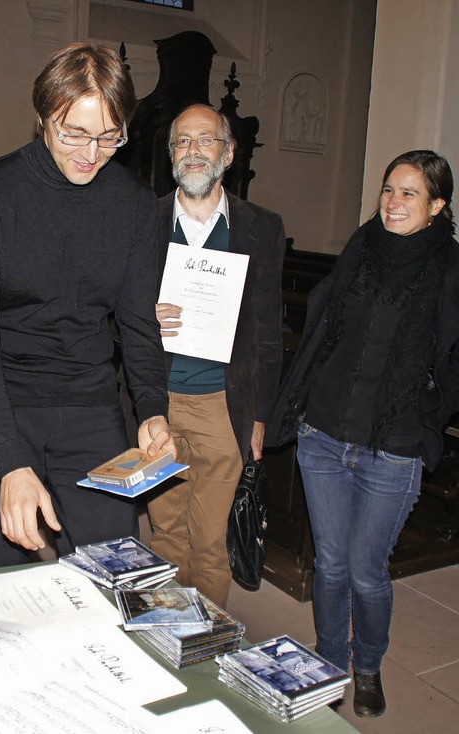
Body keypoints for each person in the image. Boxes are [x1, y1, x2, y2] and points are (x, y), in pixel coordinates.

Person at [0, 43, 174, 572]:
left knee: (113, 566)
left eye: (109, 137)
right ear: (43, 117)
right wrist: (11, 461)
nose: (91, 153)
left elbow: (138, 323)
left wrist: (153, 408)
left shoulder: (134, 204)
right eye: (75, 133)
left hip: (85, 397)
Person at [266, 150, 459, 718]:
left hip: (393, 447)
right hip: (324, 434)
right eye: (388, 191)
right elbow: (325, 327)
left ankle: (367, 665)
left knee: (366, 571)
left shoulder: (450, 267)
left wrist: (429, 414)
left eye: (409, 194)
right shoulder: (363, 247)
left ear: (437, 205)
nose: (393, 203)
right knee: (328, 563)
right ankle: (328, 665)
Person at [148, 104, 285, 608]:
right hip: (157, 402)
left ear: (227, 154)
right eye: (182, 142)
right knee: (164, 536)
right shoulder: (145, 219)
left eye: (205, 141)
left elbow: (268, 332)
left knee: (208, 541)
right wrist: (147, 316)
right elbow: (112, 313)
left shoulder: (261, 228)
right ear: (171, 157)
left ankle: (204, 649)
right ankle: (163, 642)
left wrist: (260, 417)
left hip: (223, 406)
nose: (193, 151)